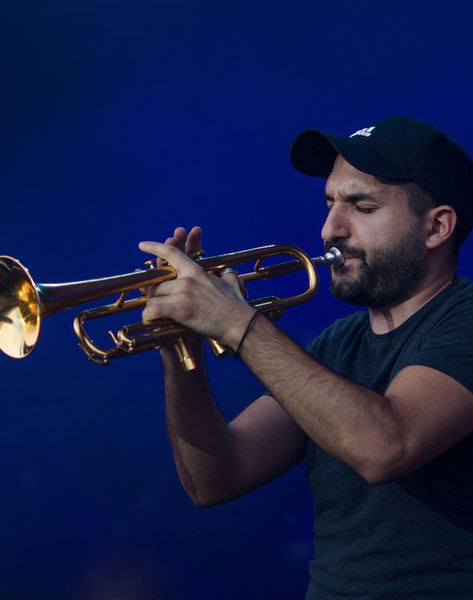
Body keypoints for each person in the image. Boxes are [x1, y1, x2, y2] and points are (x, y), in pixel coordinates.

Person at [138, 116, 473, 599]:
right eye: (330, 203)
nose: (329, 228)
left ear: (437, 227)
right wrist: (180, 349)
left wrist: (235, 321)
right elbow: (215, 479)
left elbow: (386, 447)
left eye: (362, 206)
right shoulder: (336, 347)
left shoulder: (464, 322)